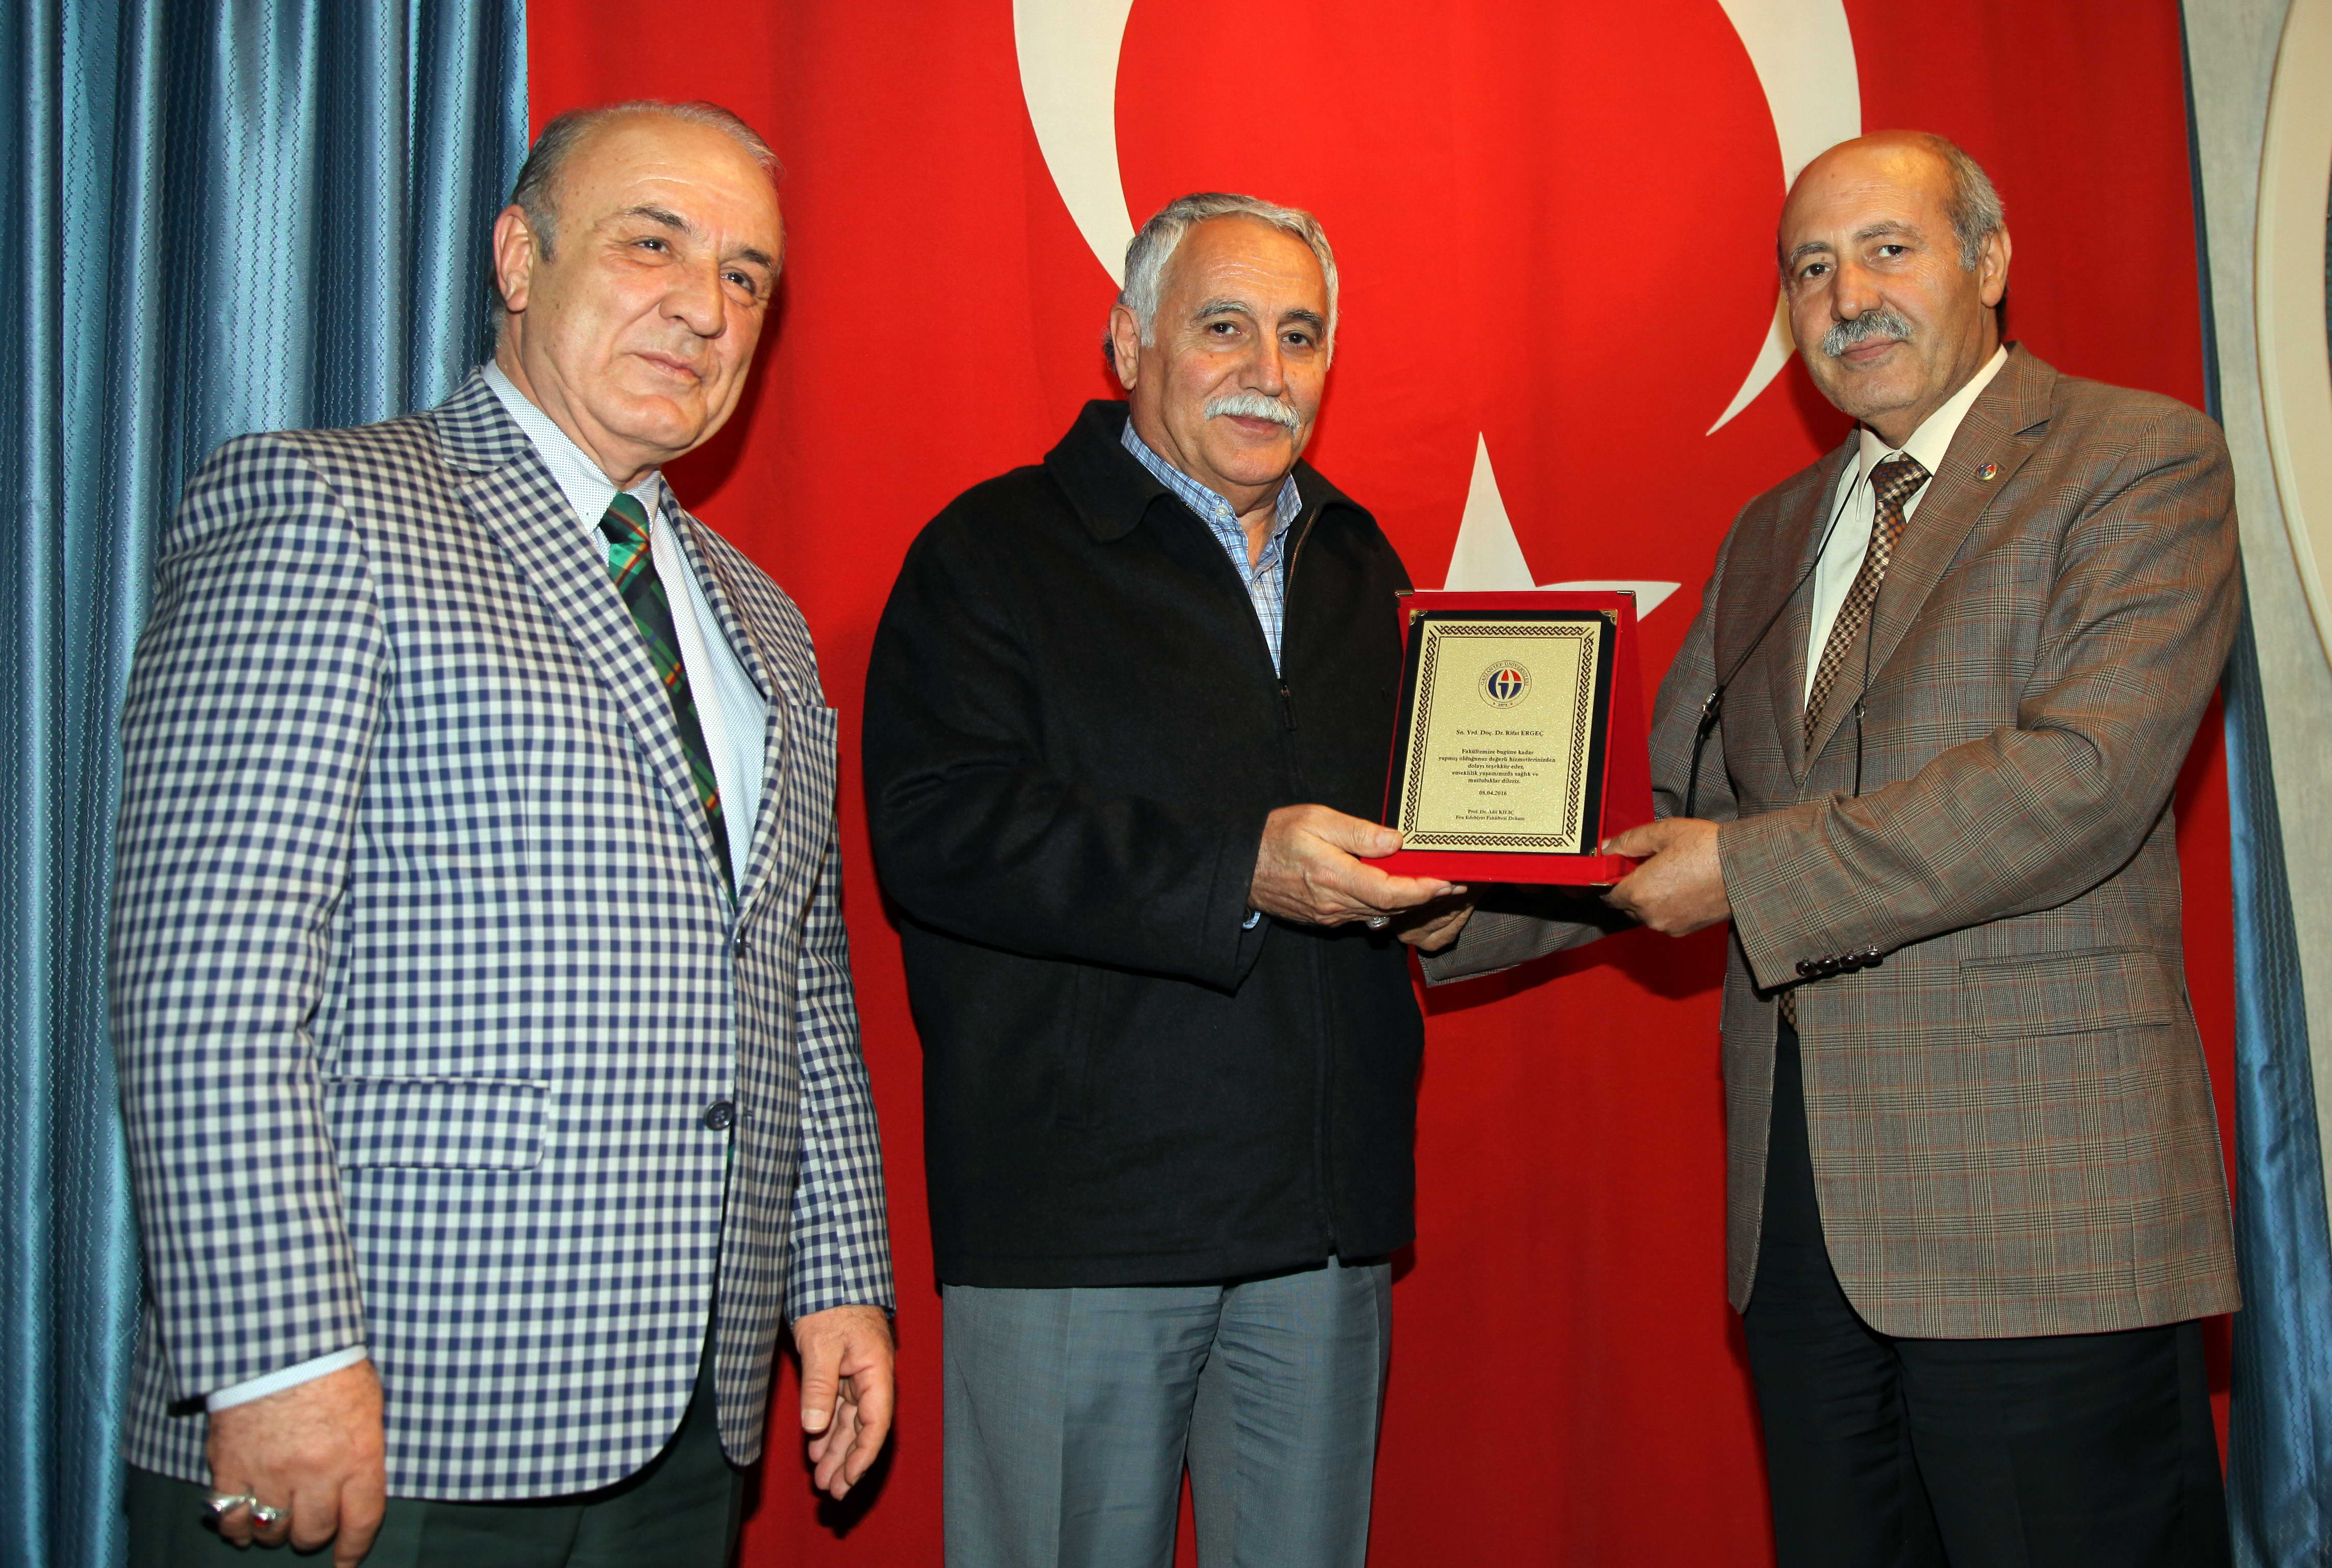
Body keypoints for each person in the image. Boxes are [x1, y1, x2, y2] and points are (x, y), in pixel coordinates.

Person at [1425, 132, 2239, 1565]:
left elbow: (2080, 781)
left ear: (1989, 261)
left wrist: (1746, 874)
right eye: (1810, 268)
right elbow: (1665, 800)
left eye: (1886, 250)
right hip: (1802, 1227)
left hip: (2040, 1213)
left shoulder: (2134, 458)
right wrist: (1446, 897)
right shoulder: (1774, 531)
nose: (1847, 296)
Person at [113, 100, 895, 1566]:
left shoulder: (764, 621)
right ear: (519, 258)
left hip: (689, 1423)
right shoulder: (325, 506)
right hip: (389, 1415)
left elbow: (799, 985)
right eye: (652, 243)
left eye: (745, 276)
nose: (704, 306)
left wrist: (837, 1278)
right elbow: (210, 980)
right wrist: (278, 1357)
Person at [863, 192, 1469, 1567]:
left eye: (1300, 335)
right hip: (1082, 1225)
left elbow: (1424, 831)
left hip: (1320, 1225)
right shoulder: (992, 551)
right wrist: (1235, 869)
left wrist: (1476, 885)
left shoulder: (1360, 561)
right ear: (1130, 341)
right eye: (1223, 327)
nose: (1267, 370)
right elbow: (938, 829)